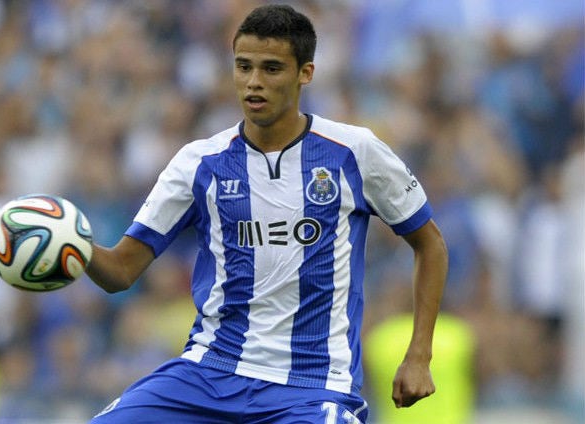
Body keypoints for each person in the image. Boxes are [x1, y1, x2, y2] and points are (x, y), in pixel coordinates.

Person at [86, 4, 448, 423]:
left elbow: (431, 245)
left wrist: (419, 355)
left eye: (272, 69)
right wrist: (70, 245)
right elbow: (121, 270)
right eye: (243, 67)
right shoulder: (199, 162)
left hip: (312, 385)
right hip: (208, 374)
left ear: (305, 73)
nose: (253, 83)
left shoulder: (355, 152)